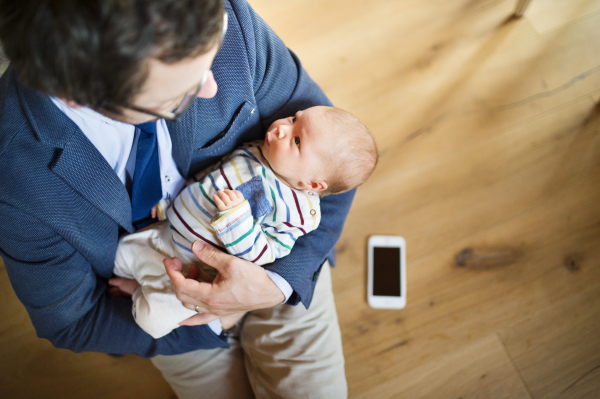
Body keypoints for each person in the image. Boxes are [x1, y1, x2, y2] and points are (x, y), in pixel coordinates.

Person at [0, 0, 357, 397]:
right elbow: (73, 320)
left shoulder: (225, 21)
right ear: (75, 95)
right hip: (158, 299)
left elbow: (337, 160)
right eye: (180, 96)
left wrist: (274, 286)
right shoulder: (15, 176)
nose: (211, 87)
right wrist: (217, 319)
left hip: (278, 261)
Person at [110, 106, 378, 339]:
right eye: (294, 119)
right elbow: (209, 178)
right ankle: (141, 280)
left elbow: (264, 254)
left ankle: (140, 292)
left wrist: (236, 220)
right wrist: (170, 200)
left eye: (296, 141)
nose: (283, 128)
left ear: (313, 183)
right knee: (117, 258)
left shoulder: (297, 213)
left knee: (150, 320)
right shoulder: (255, 152)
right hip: (164, 233)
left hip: (194, 269)